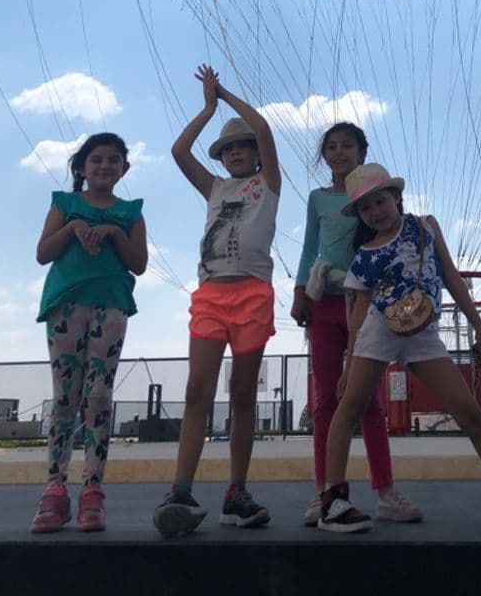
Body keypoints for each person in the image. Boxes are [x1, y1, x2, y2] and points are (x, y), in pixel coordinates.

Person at [318, 163, 481, 534]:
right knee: (350, 407)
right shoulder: (363, 256)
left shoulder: (425, 227)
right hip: (378, 330)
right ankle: (333, 499)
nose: (375, 211)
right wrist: (348, 365)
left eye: (380, 201)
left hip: (423, 333)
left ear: (396, 197)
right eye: (365, 208)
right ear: (359, 214)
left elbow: (452, 278)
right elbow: (358, 312)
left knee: (467, 411)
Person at [153, 65, 281, 538]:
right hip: (210, 295)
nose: (236, 154)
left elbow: (264, 128)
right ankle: (181, 490)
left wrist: (225, 93)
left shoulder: (267, 186)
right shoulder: (214, 187)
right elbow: (178, 151)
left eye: (242, 147)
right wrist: (207, 109)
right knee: (196, 392)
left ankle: (237, 491)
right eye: (229, 150)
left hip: (251, 293)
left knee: (244, 395)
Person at [291, 123, 421, 526]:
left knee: (370, 401)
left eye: (347, 145)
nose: (339, 152)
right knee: (326, 399)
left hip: (369, 303)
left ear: (362, 151)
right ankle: (325, 492)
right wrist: (299, 291)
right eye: (331, 146)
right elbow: (310, 245)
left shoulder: (375, 198)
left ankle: (384, 490)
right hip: (327, 300)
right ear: (324, 154)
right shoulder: (317, 199)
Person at [31, 133, 148, 534]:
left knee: (99, 396)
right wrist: (75, 227)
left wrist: (115, 234)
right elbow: (43, 252)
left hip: (111, 304)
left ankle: (93, 489)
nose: (104, 166)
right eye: (96, 159)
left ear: (124, 168)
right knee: (66, 397)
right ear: (81, 167)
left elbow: (139, 264)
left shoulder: (130, 212)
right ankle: (54, 489)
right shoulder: (64, 204)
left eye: (113, 160)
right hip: (66, 303)